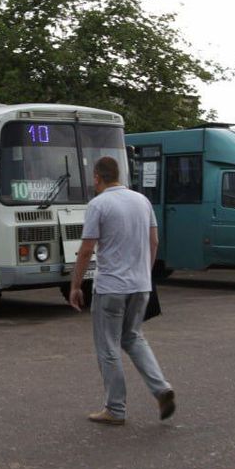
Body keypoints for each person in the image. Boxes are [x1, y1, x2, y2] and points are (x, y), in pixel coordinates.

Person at [68, 156, 175, 425]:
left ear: (97, 178)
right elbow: (154, 241)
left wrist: (75, 285)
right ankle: (161, 388)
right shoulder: (142, 201)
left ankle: (115, 409)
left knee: (108, 346)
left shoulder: (98, 204)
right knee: (134, 338)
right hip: (141, 286)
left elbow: (87, 250)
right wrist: (144, 275)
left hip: (111, 288)